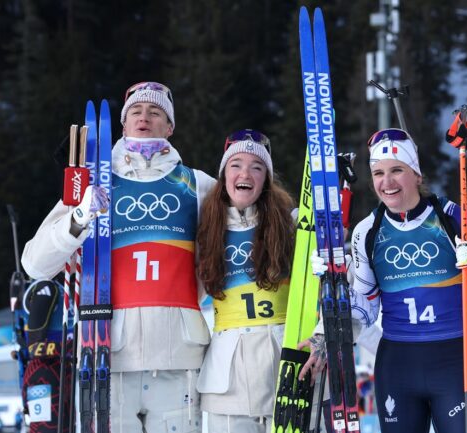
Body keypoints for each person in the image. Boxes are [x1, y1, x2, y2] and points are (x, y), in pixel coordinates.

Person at [22, 81, 214, 433]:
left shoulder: (197, 185)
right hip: (107, 355)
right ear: (123, 124)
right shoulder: (91, 184)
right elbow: (34, 264)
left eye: (156, 112)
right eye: (136, 111)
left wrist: (298, 222)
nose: (145, 117)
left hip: (180, 355)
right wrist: (78, 219)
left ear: (170, 126)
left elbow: (250, 224)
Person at [304, 128, 467, 433]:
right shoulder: (367, 232)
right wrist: (336, 283)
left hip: (453, 360)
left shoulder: (452, 219)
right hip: (397, 364)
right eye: (379, 173)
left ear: (417, 175)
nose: (387, 181)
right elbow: (366, 310)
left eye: (397, 170)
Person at [195, 130, 295, 433]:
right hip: (229, 374)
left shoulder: (291, 224)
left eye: (257, 167)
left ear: (267, 179)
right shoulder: (206, 229)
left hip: (283, 359)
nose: (245, 173)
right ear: (224, 174)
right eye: (236, 164)